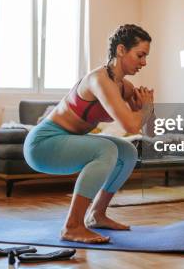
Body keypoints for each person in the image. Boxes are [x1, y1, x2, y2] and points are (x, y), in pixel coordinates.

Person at [23, 24, 155, 244]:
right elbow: (132, 125)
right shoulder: (99, 80)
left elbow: (144, 127)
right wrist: (146, 109)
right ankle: (72, 225)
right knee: (107, 149)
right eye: (140, 55)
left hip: (69, 140)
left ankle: (97, 214)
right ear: (121, 50)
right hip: (42, 144)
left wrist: (146, 107)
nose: (144, 62)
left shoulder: (125, 87)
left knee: (128, 152)